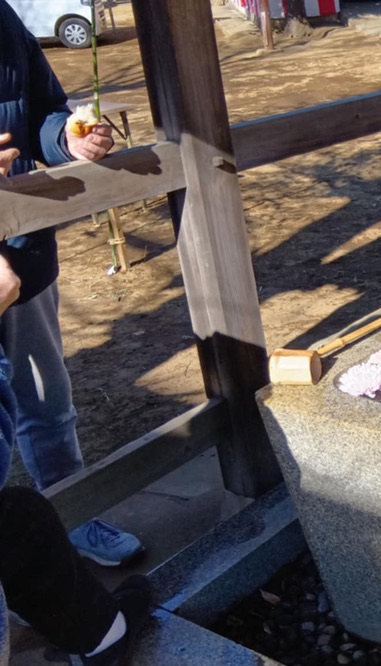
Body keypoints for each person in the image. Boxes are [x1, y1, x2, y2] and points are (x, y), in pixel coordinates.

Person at [0, 0, 143, 566]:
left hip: (22, 248)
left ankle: (74, 516)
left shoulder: (5, 20)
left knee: (47, 403)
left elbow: (43, 112)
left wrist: (69, 141)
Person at [0, 255, 153, 666]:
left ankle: (69, 605)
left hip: (20, 254)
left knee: (20, 513)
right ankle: (101, 634)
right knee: (21, 519)